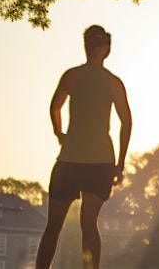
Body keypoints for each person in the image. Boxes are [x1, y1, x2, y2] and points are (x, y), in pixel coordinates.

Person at [36, 25, 133, 269]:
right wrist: (120, 163)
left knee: (53, 227)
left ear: (86, 46)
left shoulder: (72, 76)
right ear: (106, 48)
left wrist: (59, 133)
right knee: (88, 225)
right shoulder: (113, 82)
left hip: (70, 159)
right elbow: (127, 122)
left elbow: (55, 107)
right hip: (100, 163)